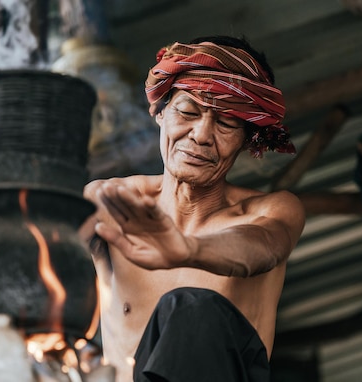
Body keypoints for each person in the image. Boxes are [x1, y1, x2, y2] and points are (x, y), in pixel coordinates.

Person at [80, 35, 305, 382]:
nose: (201, 134)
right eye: (187, 111)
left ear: (247, 139)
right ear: (160, 112)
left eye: (227, 123)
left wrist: (190, 250)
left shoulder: (269, 211)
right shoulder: (112, 202)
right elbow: (47, 255)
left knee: (191, 309)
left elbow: (264, 244)